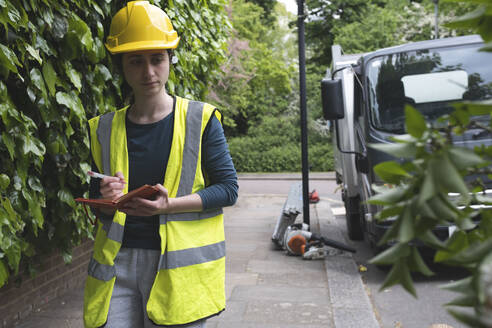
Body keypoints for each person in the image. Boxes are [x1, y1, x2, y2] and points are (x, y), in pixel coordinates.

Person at [83, 1, 238, 327]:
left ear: (170, 60)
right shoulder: (104, 127)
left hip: (178, 271)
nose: (148, 72)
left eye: (157, 59)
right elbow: (99, 207)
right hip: (117, 267)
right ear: (122, 67)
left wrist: (169, 206)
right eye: (136, 61)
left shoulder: (200, 119)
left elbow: (228, 189)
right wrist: (106, 200)